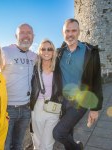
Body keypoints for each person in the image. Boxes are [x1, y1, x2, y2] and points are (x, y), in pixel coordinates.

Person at [53, 18, 103, 150]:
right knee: (67, 133)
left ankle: (78, 147)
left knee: (58, 133)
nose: (70, 34)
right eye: (67, 31)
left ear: (79, 32)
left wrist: (95, 108)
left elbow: (96, 80)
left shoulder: (90, 51)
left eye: (73, 30)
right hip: (63, 101)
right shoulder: (59, 53)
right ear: (63, 33)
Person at [3, 23, 37, 150]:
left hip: (26, 109)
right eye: (22, 32)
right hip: (7, 109)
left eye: (29, 33)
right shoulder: (5, 51)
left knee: (18, 145)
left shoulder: (35, 56)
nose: (26, 36)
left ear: (33, 37)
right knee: (4, 145)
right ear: (16, 35)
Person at [30, 39, 62, 150]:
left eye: (50, 49)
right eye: (43, 49)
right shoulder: (34, 67)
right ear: (39, 51)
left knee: (47, 143)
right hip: (37, 106)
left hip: (53, 106)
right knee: (38, 141)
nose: (46, 51)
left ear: (53, 51)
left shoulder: (58, 67)